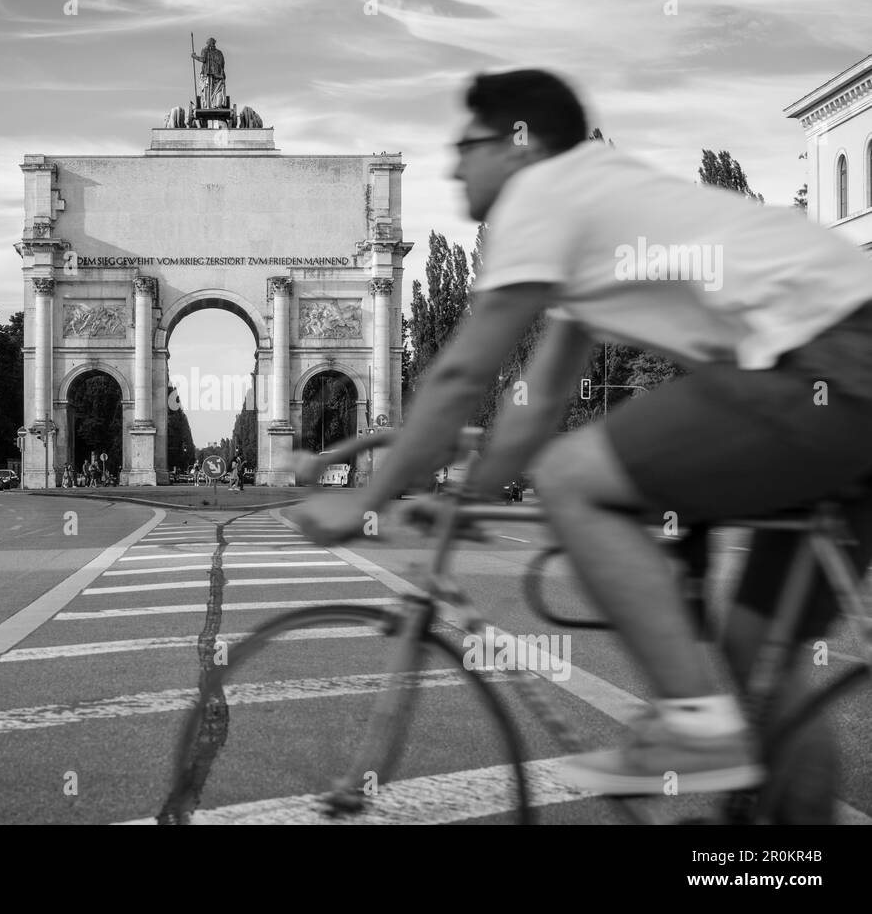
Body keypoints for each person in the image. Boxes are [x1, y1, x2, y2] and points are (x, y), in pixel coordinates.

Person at [290, 68, 872, 820]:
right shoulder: (595, 208)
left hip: (824, 367)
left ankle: (695, 726)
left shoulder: (546, 194)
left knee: (574, 475)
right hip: (843, 386)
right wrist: (462, 491)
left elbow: (462, 371)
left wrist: (365, 501)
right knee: (764, 667)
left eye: (467, 145)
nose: (454, 164)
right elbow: (532, 407)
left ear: (518, 146)